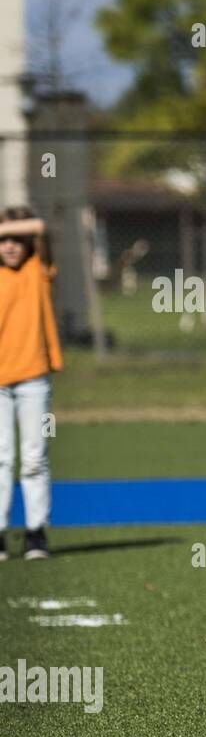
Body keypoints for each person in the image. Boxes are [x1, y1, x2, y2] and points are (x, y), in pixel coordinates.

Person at [0, 207, 60, 561]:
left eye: (16, 240)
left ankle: (36, 533)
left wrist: (15, 229)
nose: (9, 246)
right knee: (1, 458)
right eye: (3, 240)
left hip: (33, 377)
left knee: (34, 458)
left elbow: (41, 226)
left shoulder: (38, 270)